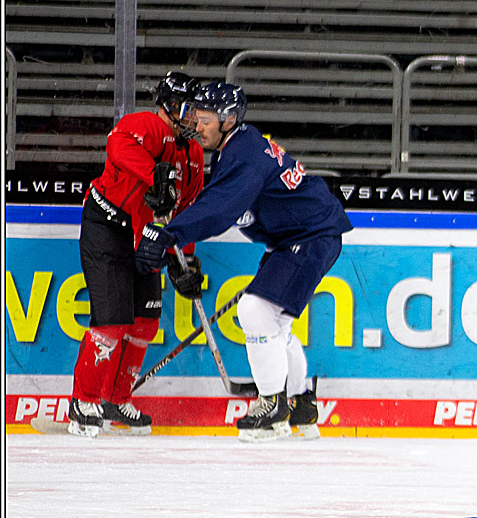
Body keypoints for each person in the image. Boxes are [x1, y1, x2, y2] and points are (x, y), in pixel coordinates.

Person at [135, 82, 353, 442]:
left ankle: (271, 407)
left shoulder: (244, 153)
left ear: (229, 119)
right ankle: (300, 404)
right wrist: (179, 239)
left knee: (254, 311)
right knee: (276, 325)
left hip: (309, 236)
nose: (197, 125)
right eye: (195, 117)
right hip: (301, 237)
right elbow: (220, 202)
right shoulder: (237, 147)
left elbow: (220, 208)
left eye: (204, 119)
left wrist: (170, 233)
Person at [69, 71, 206, 437]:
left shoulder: (193, 154)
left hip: (148, 235)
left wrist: (184, 258)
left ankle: (117, 399)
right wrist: (154, 177)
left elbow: (187, 210)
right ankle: (83, 400)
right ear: (172, 106)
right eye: (191, 109)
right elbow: (117, 147)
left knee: (144, 323)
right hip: (109, 228)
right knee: (112, 322)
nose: (196, 118)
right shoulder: (146, 124)